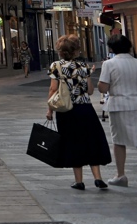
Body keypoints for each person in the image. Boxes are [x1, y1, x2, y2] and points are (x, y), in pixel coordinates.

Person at [47, 34, 111, 190]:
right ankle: (98, 177)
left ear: (60, 51)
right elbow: (90, 90)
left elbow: (53, 89)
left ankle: (79, 181)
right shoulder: (84, 67)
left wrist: (50, 110)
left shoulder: (57, 66)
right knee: (91, 141)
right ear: (76, 50)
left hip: (67, 111)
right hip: (85, 109)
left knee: (73, 143)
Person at [97, 34, 137, 187]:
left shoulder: (109, 64)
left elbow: (103, 86)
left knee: (119, 141)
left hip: (118, 105)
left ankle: (120, 174)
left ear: (111, 49)